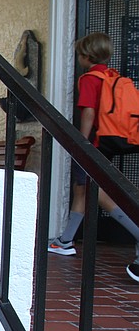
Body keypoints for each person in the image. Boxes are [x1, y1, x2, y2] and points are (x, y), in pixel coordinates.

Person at [47, 32, 139, 282]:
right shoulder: (113, 76)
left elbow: (88, 112)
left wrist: (81, 144)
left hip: (94, 143)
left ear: (86, 56)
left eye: (79, 54)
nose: (78, 59)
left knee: (95, 192)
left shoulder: (90, 79)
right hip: (112, 140)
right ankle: (65, 240)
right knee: (82, 189)